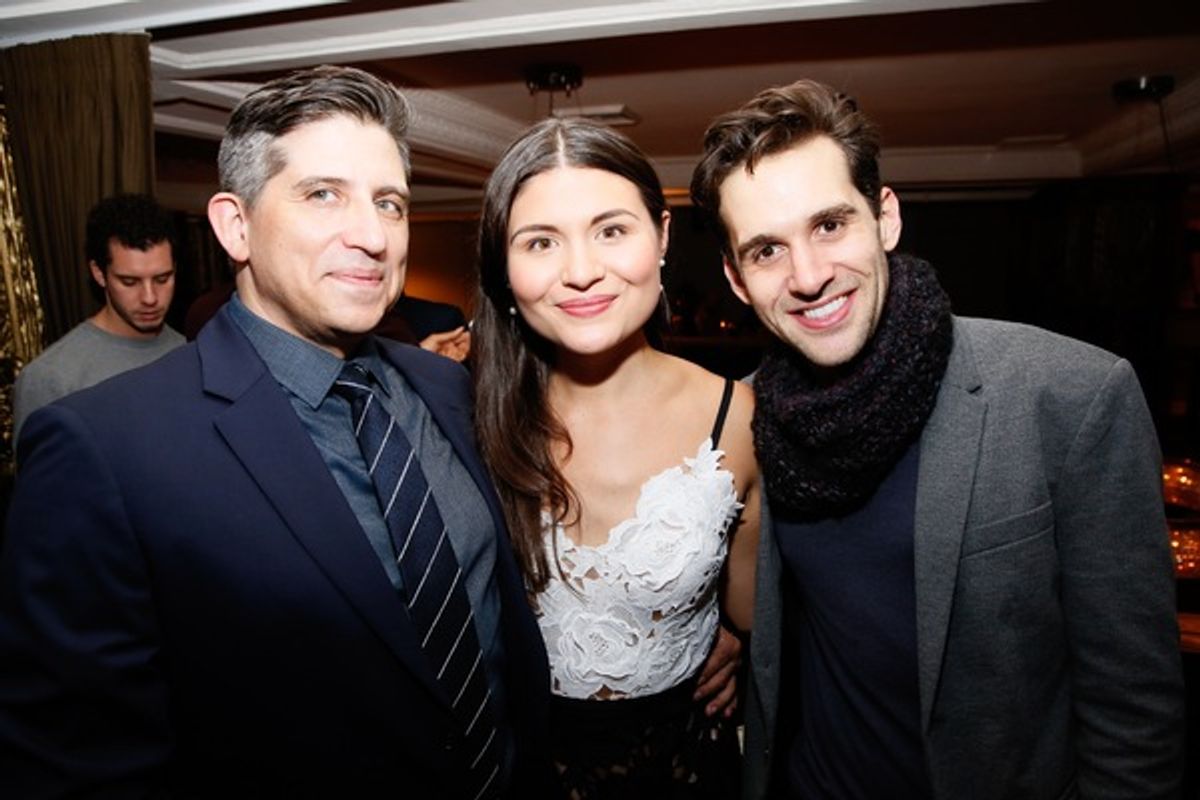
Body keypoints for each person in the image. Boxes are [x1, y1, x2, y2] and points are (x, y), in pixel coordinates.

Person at [0, 65, 553, 798]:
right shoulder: (103, 448)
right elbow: (79, 762)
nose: (373, 235)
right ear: (236, 225)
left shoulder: (446, 387)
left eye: (390, 203)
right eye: (324, 194)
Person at [689, 79, 1186, 799]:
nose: (808, 275)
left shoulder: (1071, 394)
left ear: (884, 218)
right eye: (767, 250)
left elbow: (1135, 707)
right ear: (737, 279)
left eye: (831, 225)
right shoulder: (749, 417)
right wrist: (728, 637)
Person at [471, 117, 761, 798]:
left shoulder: (739, 419)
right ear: (504, 268)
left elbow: (755, 613)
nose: (580, 272)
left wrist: (736, 645)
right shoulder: (462, 417)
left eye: (611, 230)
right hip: (514, 765)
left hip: (682, 765)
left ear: (660, 237)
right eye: (541, 241)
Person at [12, 193, 184, 440]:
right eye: (129, 281)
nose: (150, 297)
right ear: (99, 273)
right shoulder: (51, 378)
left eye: (162, 279)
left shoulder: (187, 350)